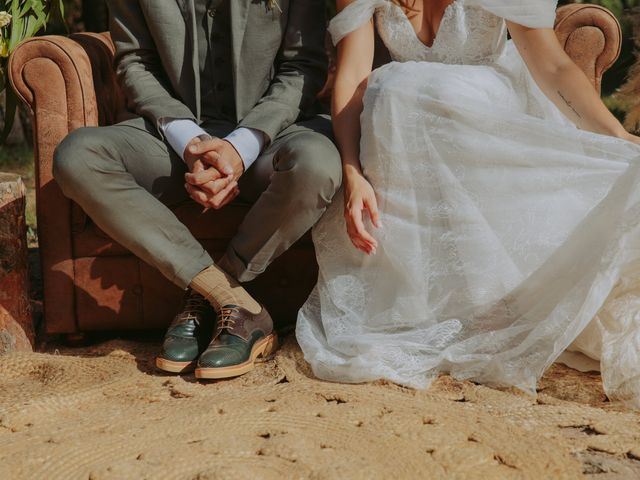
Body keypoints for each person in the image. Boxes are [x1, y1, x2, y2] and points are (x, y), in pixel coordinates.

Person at [297, 0, 640, 407]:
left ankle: (495, 303)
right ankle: (428, 307)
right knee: (392, 88)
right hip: (405, 128)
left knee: (416, 88)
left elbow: (553, 68)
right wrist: (353, 172)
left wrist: (616, 136)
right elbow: (354, 77)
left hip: (481, 115)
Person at [53, 0, 342, 379]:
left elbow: (302, 67)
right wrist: (189, 141)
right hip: (170, 140)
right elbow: (135, 63)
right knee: (77, 156)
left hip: (273, 134)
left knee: (317, 165)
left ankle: (207, 295)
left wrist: (240, 147)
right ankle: (230, 300)